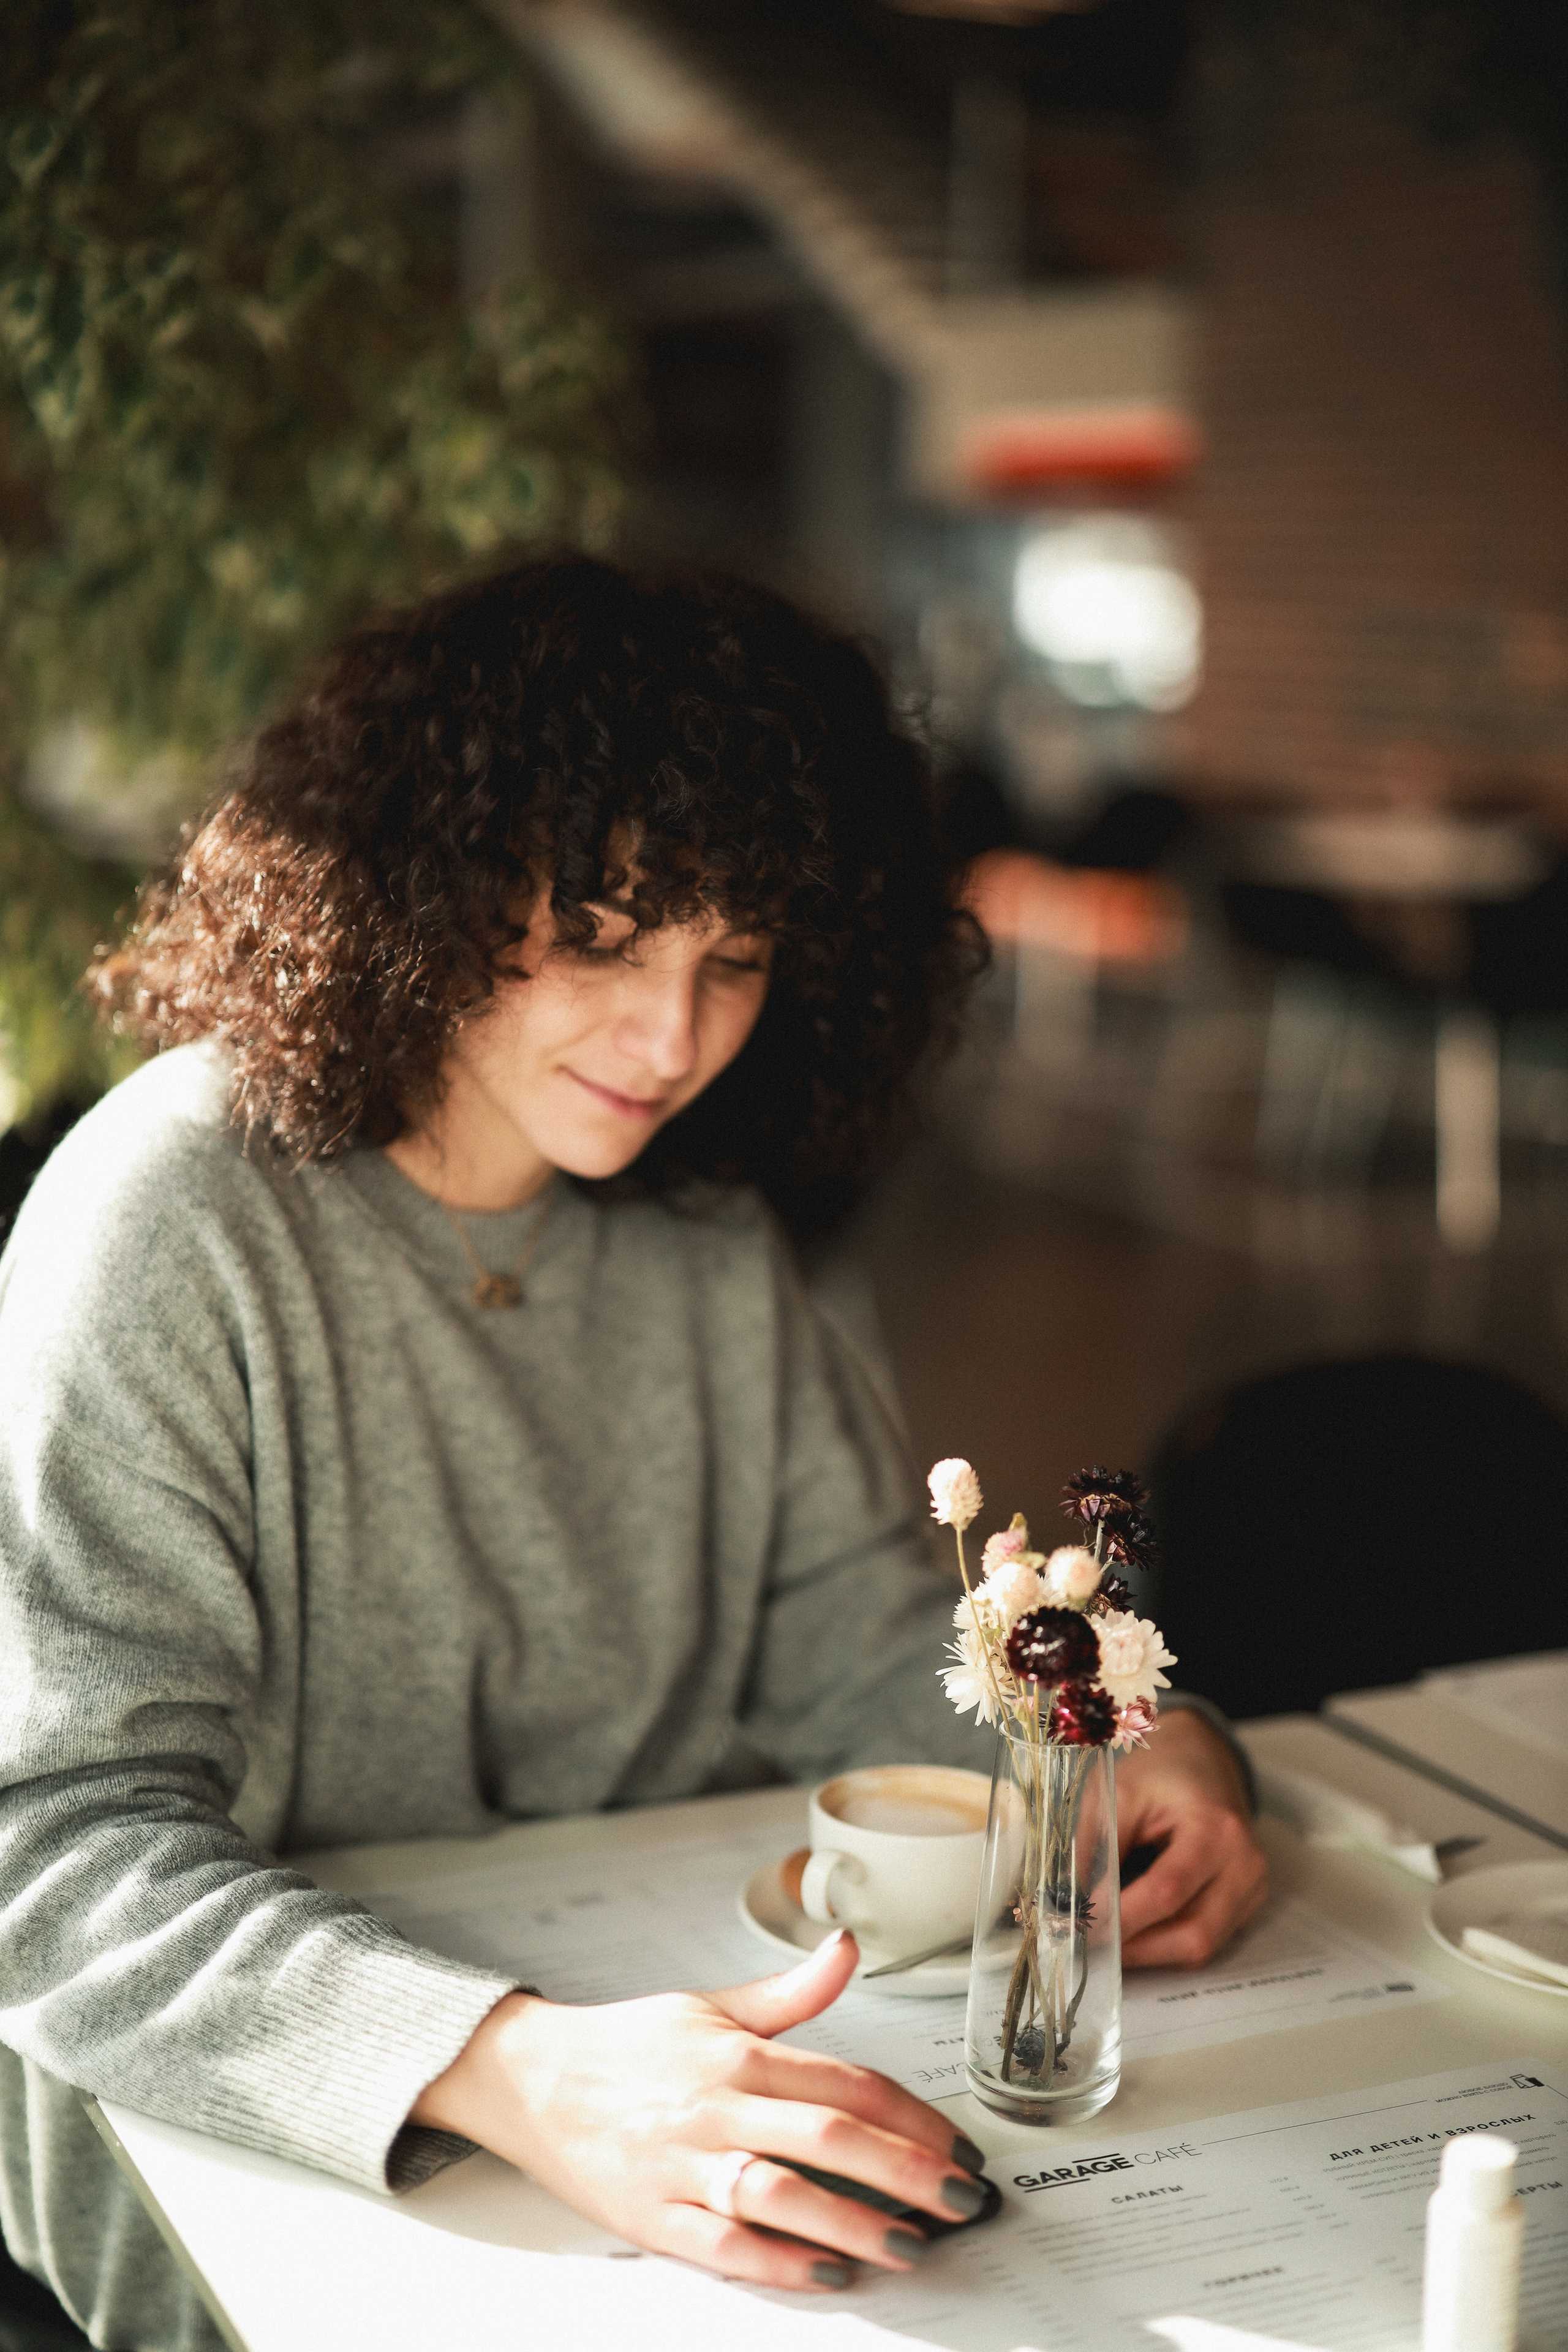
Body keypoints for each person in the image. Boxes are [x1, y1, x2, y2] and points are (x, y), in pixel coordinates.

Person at [0, 558, 1265, 2351]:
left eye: (734, 961)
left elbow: (848, 1639)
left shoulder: (701, 1229)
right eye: (602, 939)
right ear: (422, 882)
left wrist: (1108, 1752)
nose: (675, 1041)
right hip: (261, 2161)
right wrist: (510, 2069)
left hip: (659, 2057)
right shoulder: (171, 1217)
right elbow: (48, 1862)